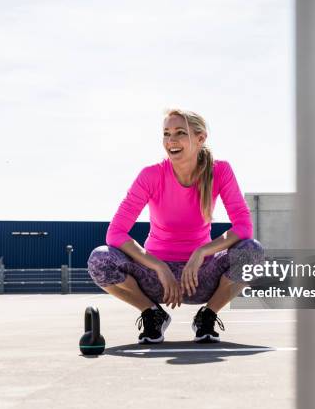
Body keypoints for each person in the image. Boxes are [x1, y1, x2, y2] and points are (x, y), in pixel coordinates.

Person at [87, 108, 265, 344]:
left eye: (180, 133)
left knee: (252, 251)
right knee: (100, 258)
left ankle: (207, 316)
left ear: (200, 139)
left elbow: (243, 227)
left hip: (201, 277)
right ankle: (152, 313)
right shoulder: (151, 175)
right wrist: (159, 266)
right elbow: (115, 234)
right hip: (156, 280)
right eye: (166, 133)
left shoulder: (220, 171)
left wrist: (202, 252)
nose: (171, 141)